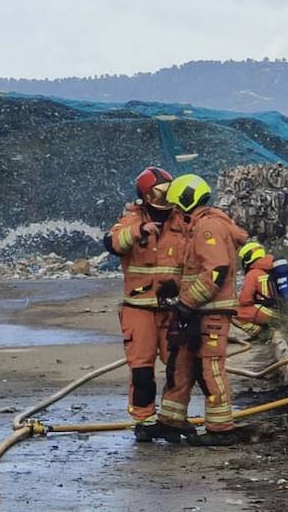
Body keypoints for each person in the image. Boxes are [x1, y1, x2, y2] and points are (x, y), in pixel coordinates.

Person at [157, 174, 250, 446]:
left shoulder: (208, 227)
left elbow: (216, 270)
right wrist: (175, 288)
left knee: (210, 369)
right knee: (180, 364)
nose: (175, 212)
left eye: (177, 205)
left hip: (210, 312)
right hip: (199, 310)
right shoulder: (201, 225)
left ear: (186, 201)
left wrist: (187, 302)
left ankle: (221, 430)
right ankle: (169, 422)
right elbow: (198, 269)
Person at [105, 167, 188, 442]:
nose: (165, 200)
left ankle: (173, 420)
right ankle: (144, 420)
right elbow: (113, 242)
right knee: (141, 370)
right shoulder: (132, 219)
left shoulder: (182, 221)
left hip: (174, 307)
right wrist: (139, 230)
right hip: (138, 307)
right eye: (160, 193)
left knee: (179, 365)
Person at [232, 242, 280, 339]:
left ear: (248, 257)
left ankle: (259, 331)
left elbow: (244, 300)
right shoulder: (274, 268)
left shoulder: (253, 273)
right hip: (279, 311)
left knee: (231, 313)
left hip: (265, 311)